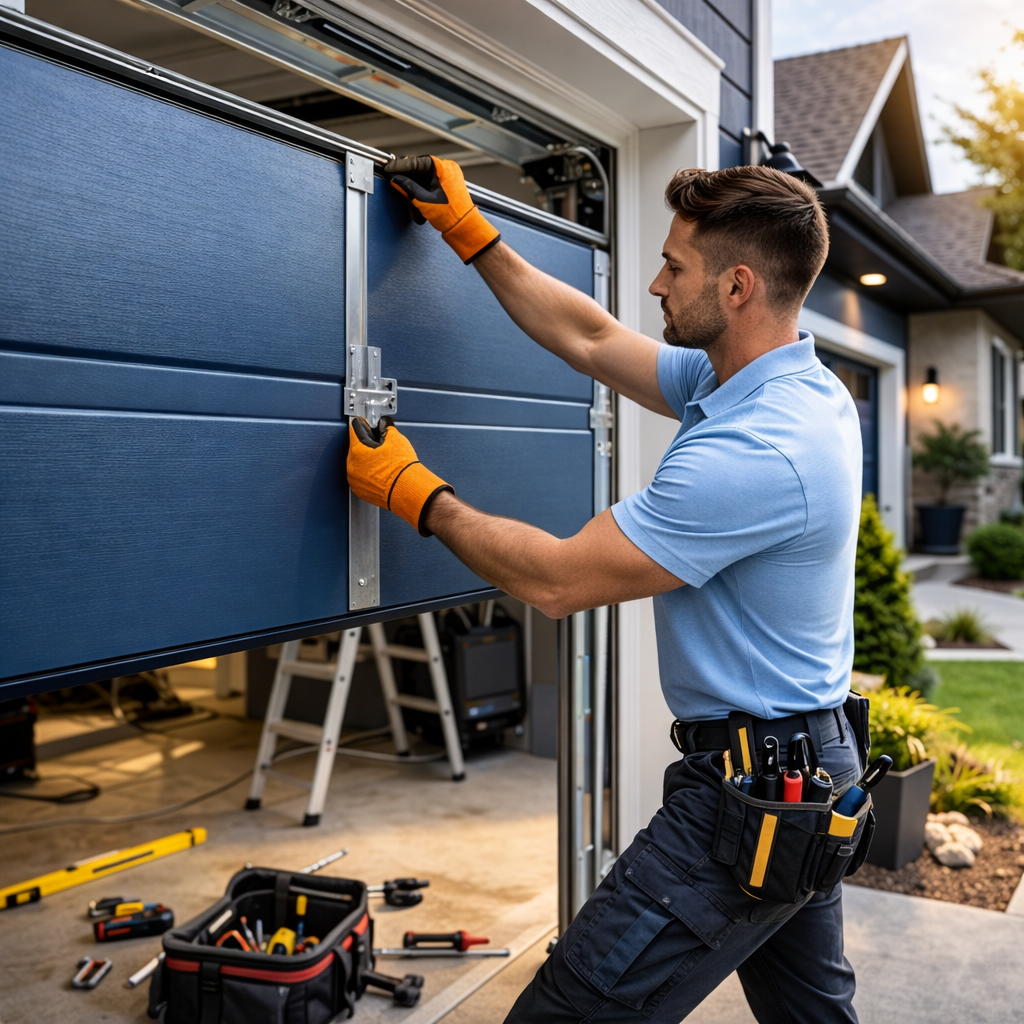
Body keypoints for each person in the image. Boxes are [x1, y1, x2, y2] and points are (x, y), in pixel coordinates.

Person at [347, 157, 868, 1023]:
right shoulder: (772, 382)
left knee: (565, 1011)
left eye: (674, 266)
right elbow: (590, 338)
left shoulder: (761, 450)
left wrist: (414, 493)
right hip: (806, 769)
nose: (656, 284)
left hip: (753, 795)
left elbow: (554, 580)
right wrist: (472, 234)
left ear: (738, 287)